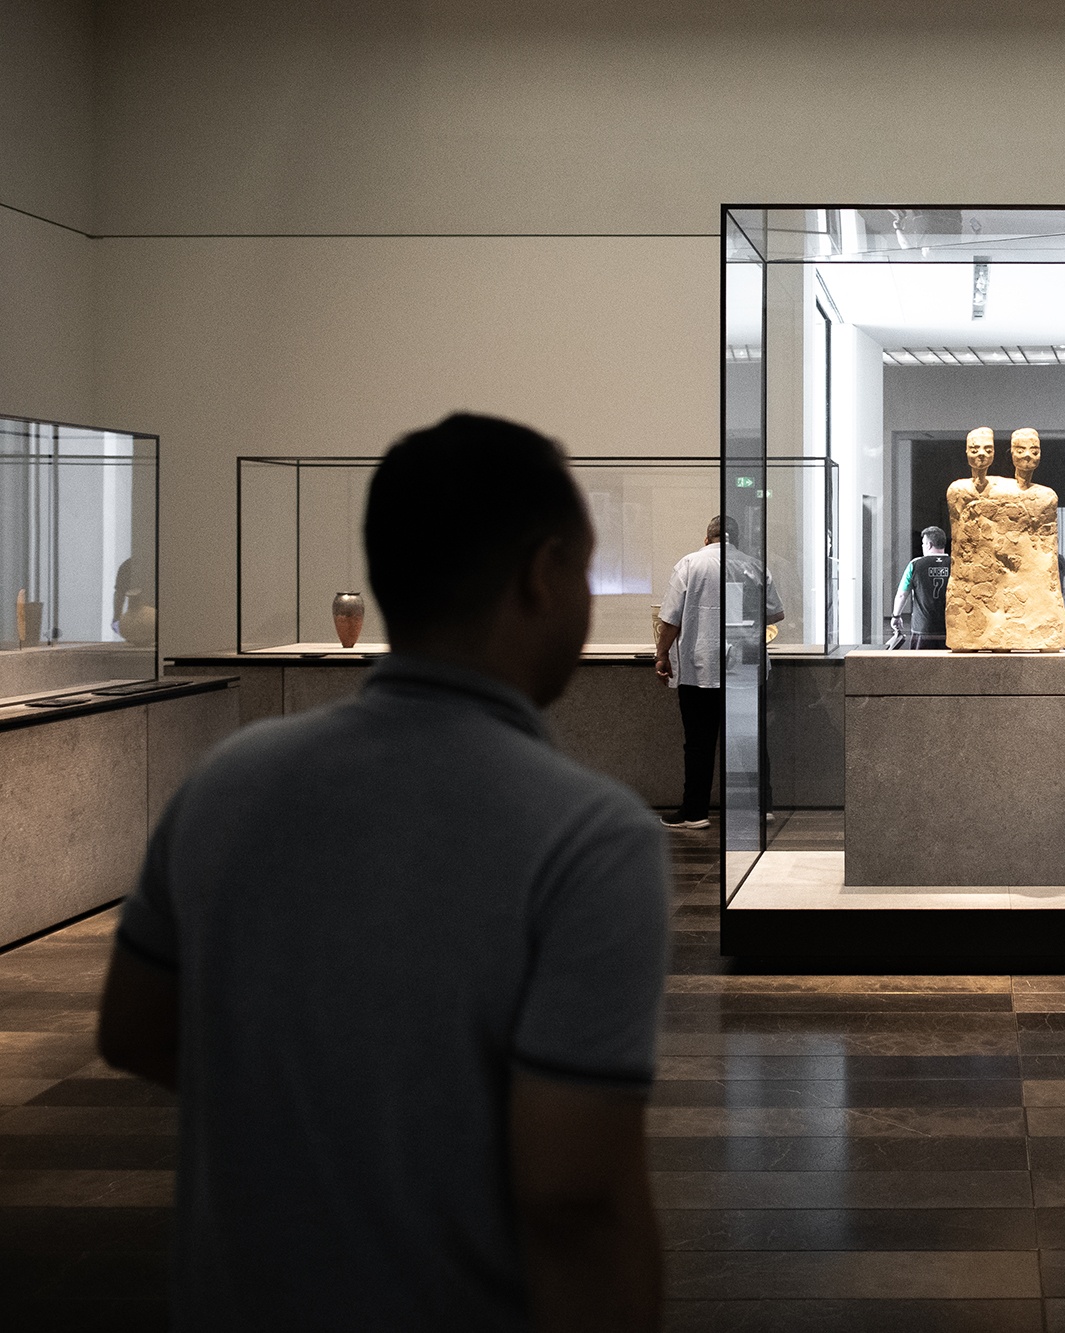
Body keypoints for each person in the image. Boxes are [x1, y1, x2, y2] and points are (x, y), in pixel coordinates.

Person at [95, 413, 669, 1330]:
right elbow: (574, 1199)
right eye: (586, 570)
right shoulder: (590, 840)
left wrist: (321, 1107)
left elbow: (131, 1027)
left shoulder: (223, 785)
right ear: (541, 574)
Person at [655, 515, 785, 830]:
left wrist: (661, 655)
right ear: (737, 539)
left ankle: (695, 811)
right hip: (745, 665)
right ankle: (760, 806)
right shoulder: (754, 566)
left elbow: (670, 619)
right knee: (749, 739)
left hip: (699, 668)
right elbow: (776, 614)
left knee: (698, 742)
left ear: (706, 538)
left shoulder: (689, 564)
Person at [891, 526, 951, 649]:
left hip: (922, 628)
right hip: (949, 627)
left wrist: (896, 616)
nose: (923, 547)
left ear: (929, 545)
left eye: (923, 544)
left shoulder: (915, 565)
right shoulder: (955, 564)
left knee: (920, 665)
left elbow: (902, 594)